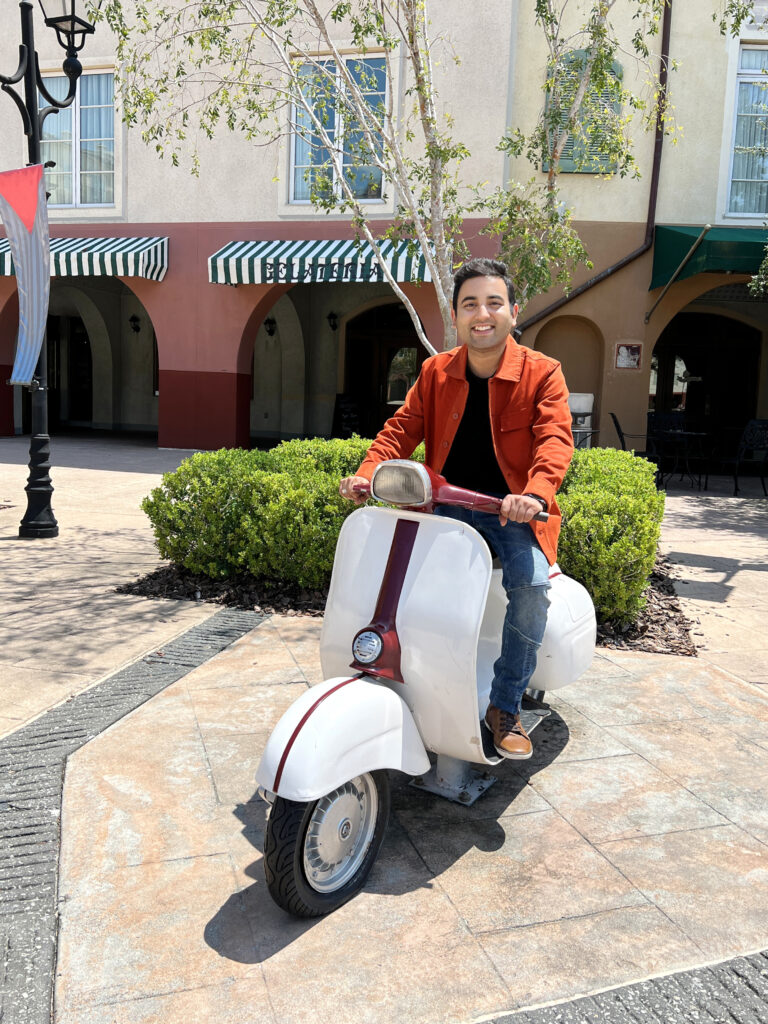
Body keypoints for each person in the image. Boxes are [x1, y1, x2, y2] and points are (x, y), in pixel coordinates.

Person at [339, 257, 574, 759]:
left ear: (513, 311)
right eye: (470, 304)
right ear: (457, 314)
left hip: (509, 513)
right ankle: (414, 682)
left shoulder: (543, 373)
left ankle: (504, 706)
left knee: (531, 588)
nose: (482, 314)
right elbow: (400, 430)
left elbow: (554, 440)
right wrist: (366, 473)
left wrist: (533, 495)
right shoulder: (435, 371)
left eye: (493, 302)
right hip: (444, 507)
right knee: (398, 583)